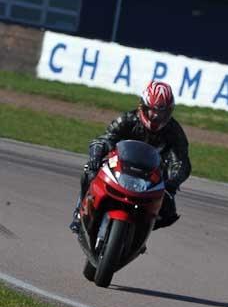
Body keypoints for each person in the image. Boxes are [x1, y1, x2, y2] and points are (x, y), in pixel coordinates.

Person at [69, 80, 191, 234]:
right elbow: (105, 138)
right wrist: (95, 155)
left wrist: (172, 183)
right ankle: (80, 214)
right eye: (152, 110)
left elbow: (181, 162)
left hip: (151, 177)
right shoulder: (128, 119)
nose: (156, 115)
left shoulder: (175, 132)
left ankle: (140, 232)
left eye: (162, 112)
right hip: (120, 167)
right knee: (89, 172)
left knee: (168, 211)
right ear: (143, 106)